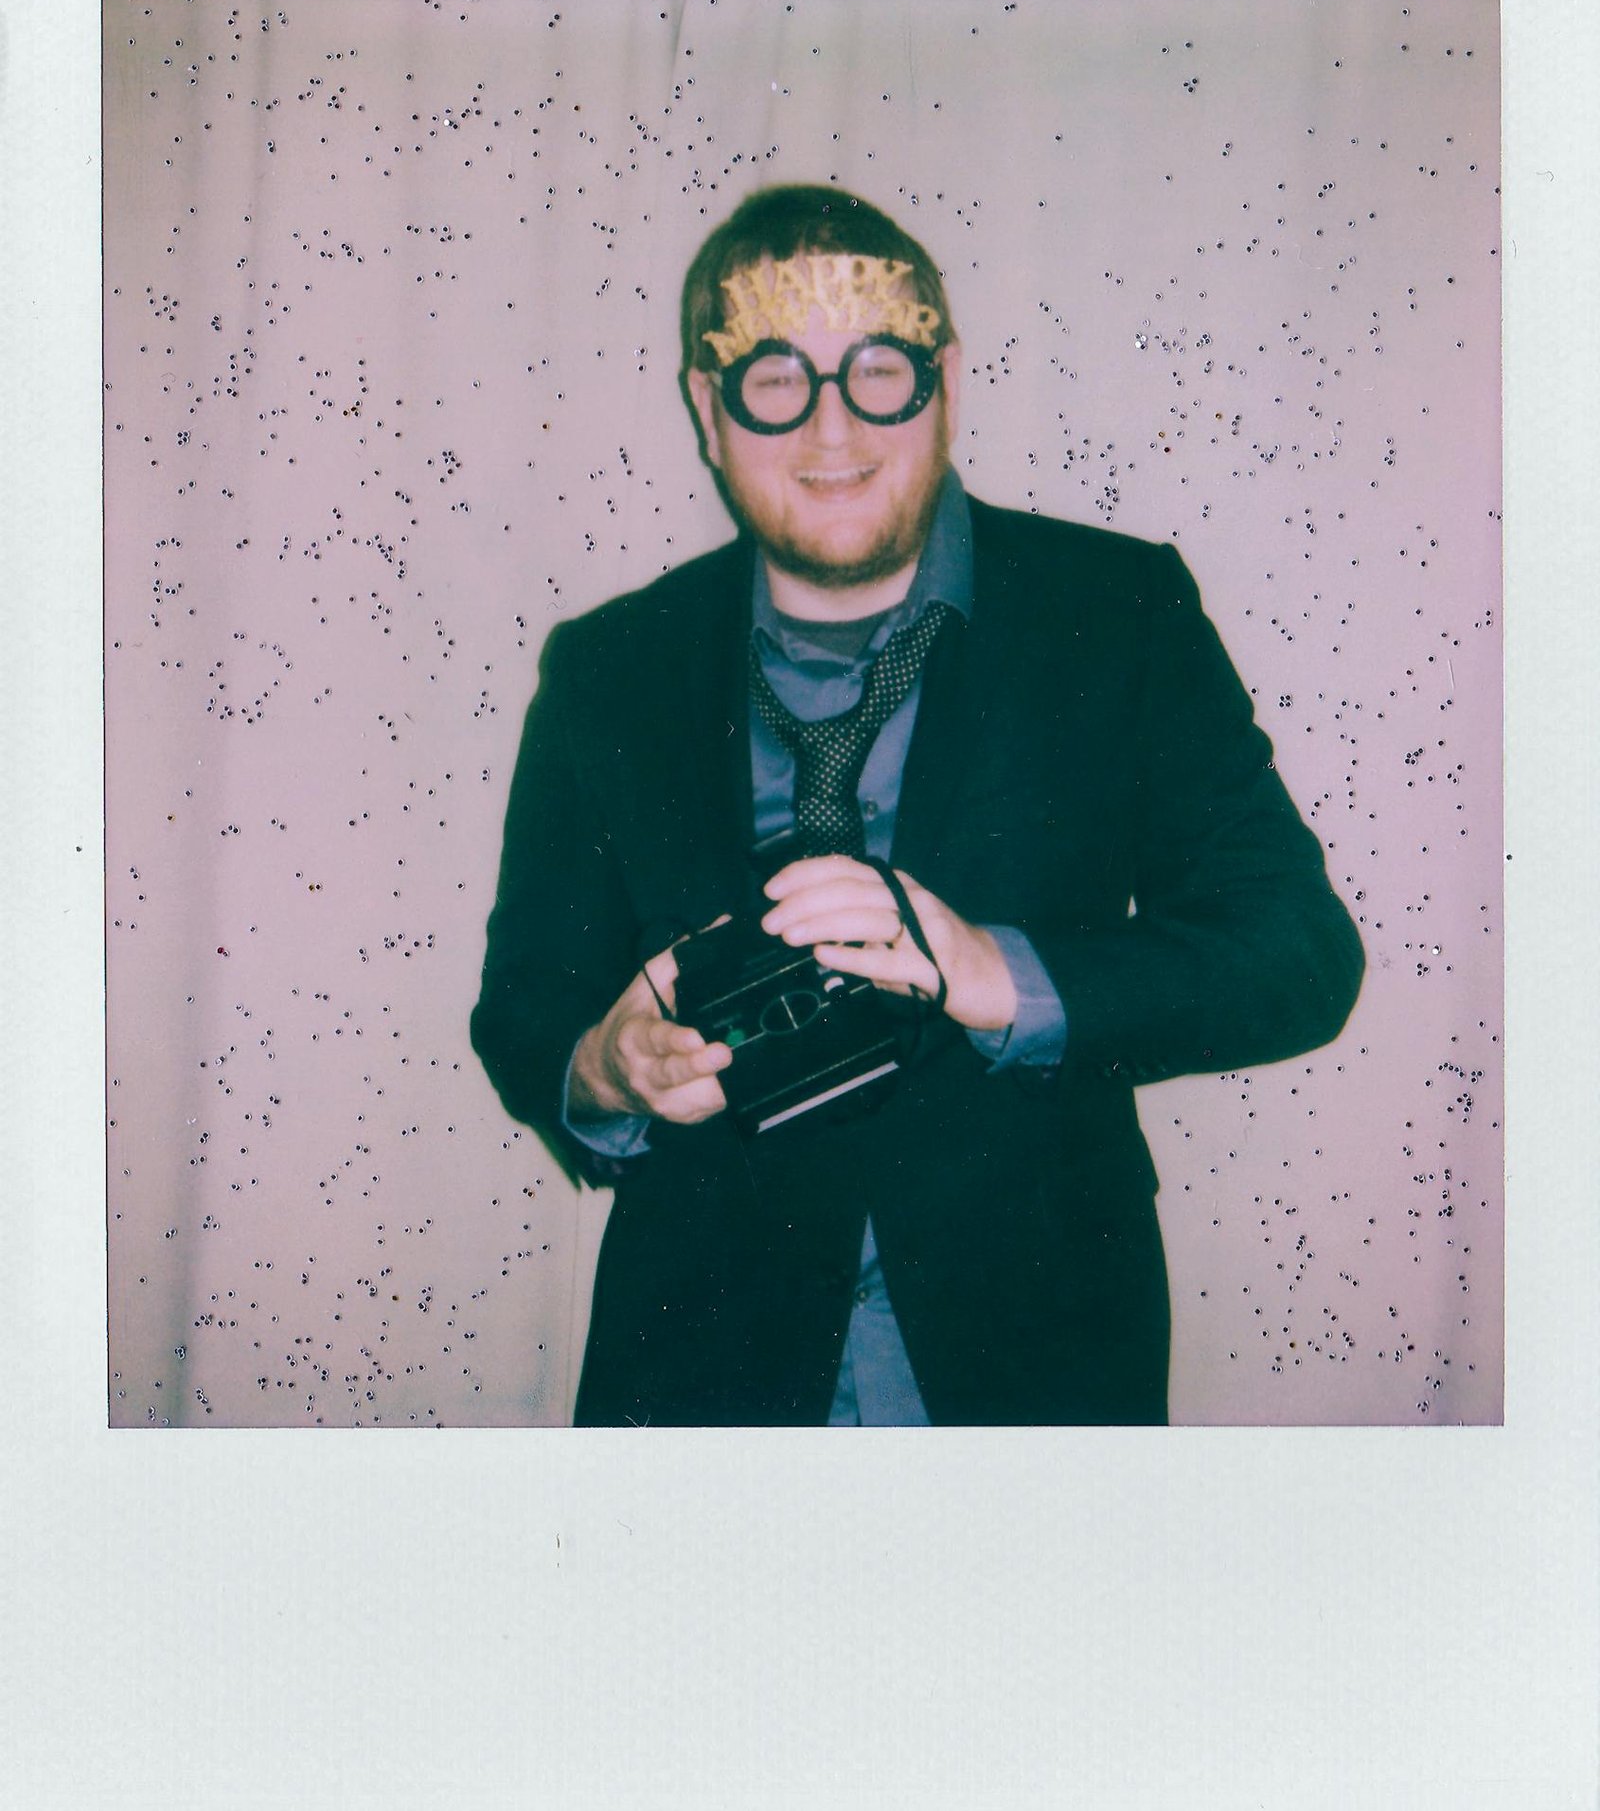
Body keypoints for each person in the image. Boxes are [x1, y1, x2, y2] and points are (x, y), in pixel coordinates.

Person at [471, 184, 1365, 1427]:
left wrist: (996, 971)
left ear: (944, 378)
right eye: (775, 378)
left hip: (1037, 1370)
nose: (830, 428)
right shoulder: (609, 665)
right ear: (706, 407)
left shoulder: (1115, 614)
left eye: (876, 369)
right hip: (699, 1376)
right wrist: (603, 1065)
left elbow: (1296, 957)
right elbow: (523, 1006)